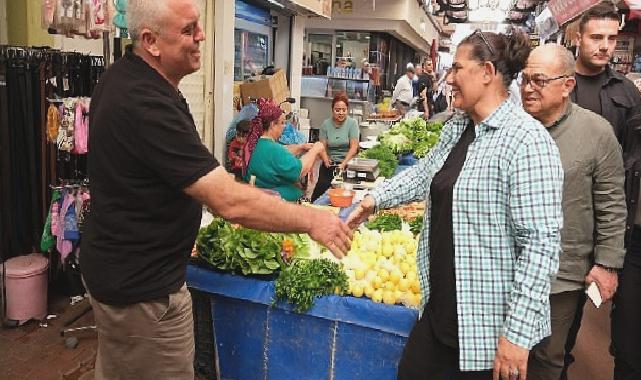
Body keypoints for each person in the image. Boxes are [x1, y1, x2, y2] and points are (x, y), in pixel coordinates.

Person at [81, 1, 352, 379]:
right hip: (144, 295)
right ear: (150, 41)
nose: (202, 35)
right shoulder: (144, 102)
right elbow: (226, 199)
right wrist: (310, 220)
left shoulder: (131, 79)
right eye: (189, 29)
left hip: (125, 277)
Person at [347, 29, 564, 380]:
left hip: (488, 330)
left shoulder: (528, 142)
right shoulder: (457, 128)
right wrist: (372, 200)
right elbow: (423, 176)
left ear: (487, 73)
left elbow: (540, 247)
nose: (449, 78)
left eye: (457, 69)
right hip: (441, 311)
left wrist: (517, 336)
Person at [520, 43, 627, 380]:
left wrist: (607, 264)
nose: (527, 88)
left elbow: (611, 203)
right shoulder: (513, 127)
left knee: (548, 356)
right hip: (510, 265)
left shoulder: (596, 133)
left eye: (538, 80)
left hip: (562, 274)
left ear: (567, 85)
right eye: (524, 79)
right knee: (504, 351)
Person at [563, 4, 641, 378]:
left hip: (610, 223)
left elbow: (631, 162)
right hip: (564, 221)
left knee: (622, 316)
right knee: (558, 318)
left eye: (612, 38)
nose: (605, 46)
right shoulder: (557, 85)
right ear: (577, 37)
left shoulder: (625, 93)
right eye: (597, 37)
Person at [243, 98, 329, 201]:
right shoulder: (273, 150)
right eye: (282, 122)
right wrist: (316, 148)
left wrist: (300, 147)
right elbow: (300, 170)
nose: (285, 126)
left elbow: (283, 150)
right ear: (272, 125)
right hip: (279, 205)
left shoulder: (258, 144)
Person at [311, 93, 360, 201]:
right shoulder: (325, 124)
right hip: (330, 164)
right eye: (337, 110)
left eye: (344, 110)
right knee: (319, 193)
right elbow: (322, 146)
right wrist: (325, 159)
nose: (341, 113)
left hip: (347, 164)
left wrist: (343, 164)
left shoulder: (352, 124)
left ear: (347, 109)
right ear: (332, 110)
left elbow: (354, 147)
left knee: (344, 194)